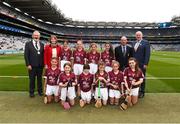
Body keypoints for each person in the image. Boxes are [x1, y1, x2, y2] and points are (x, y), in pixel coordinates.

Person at [24, 30, 44, 97]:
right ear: (32, 36)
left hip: (40, 65)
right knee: (32, 79)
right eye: (35, 35)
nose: (36, 36)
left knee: (39, 80)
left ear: (39, 36)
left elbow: (43, 55)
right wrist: (28, 64)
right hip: (31, 66)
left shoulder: (42, 44)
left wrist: (43, 64)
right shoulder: (28, 44)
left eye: (37, 35)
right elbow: (26, 55)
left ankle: (40, 91)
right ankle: (31, 92)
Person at [132, 31, 151, 98]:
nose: (138, 36)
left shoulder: (146, 43)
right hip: (134, 64)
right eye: (137, 35)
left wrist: (146, 63)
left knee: (142, 78)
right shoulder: (133, 43)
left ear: (142, 35)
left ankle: (142, 91)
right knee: (134, 77)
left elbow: (147, 54)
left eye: (139, 35)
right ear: (135, 36)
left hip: (142, 64)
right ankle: (136, 90)